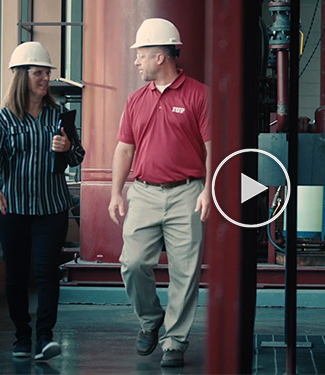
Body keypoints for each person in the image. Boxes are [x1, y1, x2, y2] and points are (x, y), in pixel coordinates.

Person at [108, 18, 211, 368]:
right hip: (144, 193)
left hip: (187, 193)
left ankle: (174, 341)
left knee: (185, 272)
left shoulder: (199, 94)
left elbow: (213, 148)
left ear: (160, 56)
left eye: (141, 55)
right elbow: (124, 149)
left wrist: (208, 190)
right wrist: (116, 192)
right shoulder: (135, 100)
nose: (136, 61)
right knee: (132, 264)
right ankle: (152, 321)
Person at [0, 41, 85, 361]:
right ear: (21, 77)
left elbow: (79, 156)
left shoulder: (59, 116)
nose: (45, 78)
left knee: (47, 273)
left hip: (51, 209)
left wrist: (67, 147)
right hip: (11, 209)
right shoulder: (4, 119)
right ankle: (22, 337)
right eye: (38, 72)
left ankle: (44, 338)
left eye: (47, 72)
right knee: (15, 275)